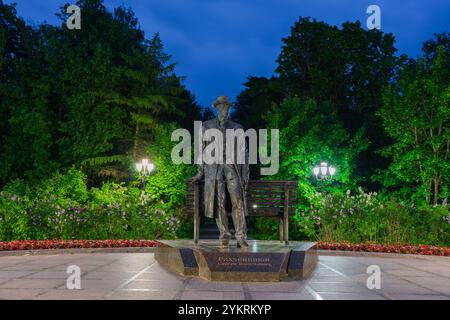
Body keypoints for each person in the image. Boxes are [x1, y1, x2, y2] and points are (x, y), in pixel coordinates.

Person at [192, 96, 249, 248]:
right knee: (219, 204)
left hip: (233, 170)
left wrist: (245, 175)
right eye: (222, 106)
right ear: (216, 108)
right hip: (214, 170)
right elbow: (200, 151)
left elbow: (244, 153)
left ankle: (241, 237)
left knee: (238, 202)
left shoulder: (237, 127)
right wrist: (200, 172)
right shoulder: (206, 126)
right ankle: (224, 235)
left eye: (227, 106)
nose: (225, 108)